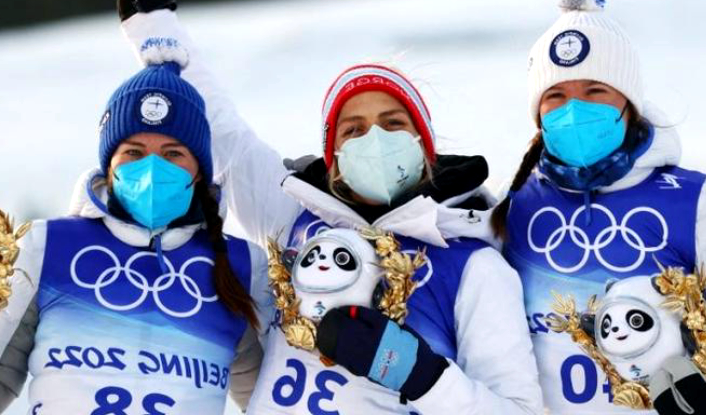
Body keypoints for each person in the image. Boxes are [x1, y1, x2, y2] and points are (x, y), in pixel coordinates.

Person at [114, 1, 543, 414]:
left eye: (393, 124)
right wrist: (152, 24)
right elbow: (223, 131)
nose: (374, 140)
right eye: (353, 130)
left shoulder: (473, 266)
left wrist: (418, 373)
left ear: (423, 144)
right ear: (333, 156)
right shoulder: (294, 216)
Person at [0, 53, 271, 414]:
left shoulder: (241, 267)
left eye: (172, 154)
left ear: (199, 169)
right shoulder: (46, 248)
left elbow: (278, 402)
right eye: (133, 152)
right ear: (109, 163)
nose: (152, 170)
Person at [490, 1, 706, 414]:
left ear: (629, 102)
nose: (574, 109)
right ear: (538, 112)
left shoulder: (700, 204)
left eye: (595, 91)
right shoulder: (511, 212)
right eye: (557, 95)